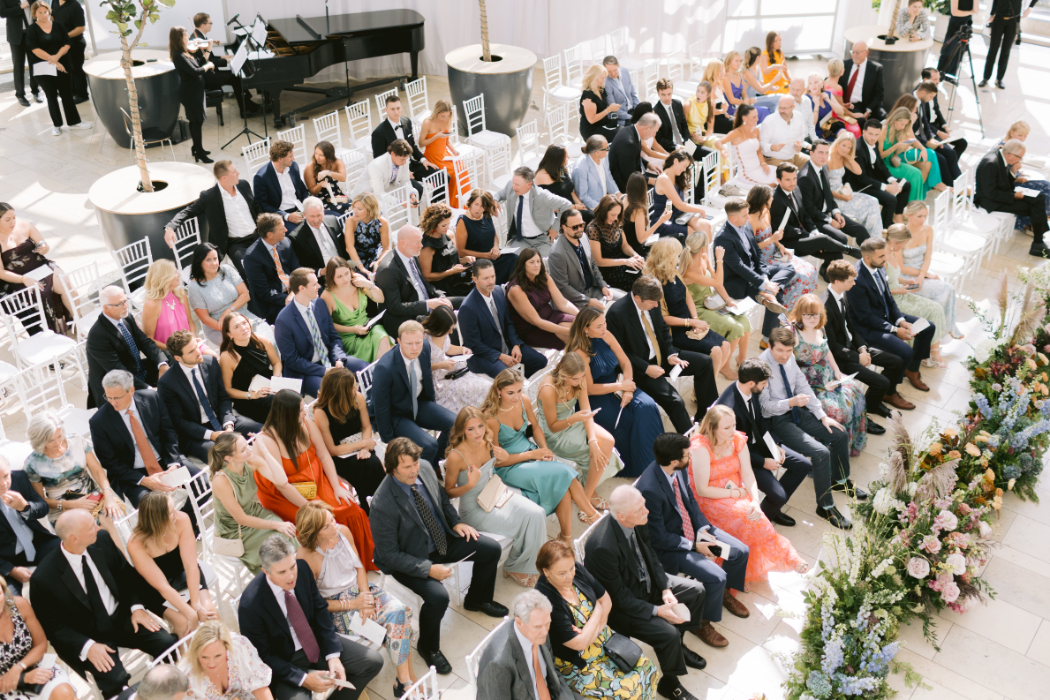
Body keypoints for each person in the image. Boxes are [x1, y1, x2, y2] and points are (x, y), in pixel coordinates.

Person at [369, 438, 509, 675]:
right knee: (438, 597)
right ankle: (428, 646)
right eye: (407, 467)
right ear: (392, 468)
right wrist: (428, 569)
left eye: (415, 463)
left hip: (442, 540)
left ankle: (477, 599)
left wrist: (456, 523)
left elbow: (442, 500)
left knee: (491, 549)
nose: (414, 469)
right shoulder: (383, 504)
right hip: (410, 558)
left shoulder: (423, 467)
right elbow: (389, 555)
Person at [30, 510, 178, 699]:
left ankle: (163, 693)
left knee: (166, 643)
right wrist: (87, 646)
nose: (98, 528)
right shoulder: (43, 578)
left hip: (123, 618)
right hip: (89, 636)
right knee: (115, 681)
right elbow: (53, 627)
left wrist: (137, 608)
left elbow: (126, 576)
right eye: (92, 527)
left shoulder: (103, 540)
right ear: (74, 538)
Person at [583, 485, 708, 700]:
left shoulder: (637, 519)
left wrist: (665, 588)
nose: (647, 511)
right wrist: (657, 611)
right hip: (624, 608)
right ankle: (669, 683)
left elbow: (649, 554)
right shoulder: (602, 548)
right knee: (667, 634)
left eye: (644, 506)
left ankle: (679, 644)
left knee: (697, 591)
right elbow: (619, 598)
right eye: (640, 509)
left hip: (648, 585)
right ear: (621, 516)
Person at [237, 535, 383, 700]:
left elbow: (320, 610)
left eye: (292, 566)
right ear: (265, 571)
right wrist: (303, 679)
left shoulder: (303, 570)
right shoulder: (250, 606)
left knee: (373, 662)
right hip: (285, 661)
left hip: (316, 643)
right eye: (282, 572)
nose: (291, 576)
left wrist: (333, 655)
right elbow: (263, 657)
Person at [295, 502, 417, 698]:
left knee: (399, 611)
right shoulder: (306, 558)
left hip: (361, 590)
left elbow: (359, 566)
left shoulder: (343, 531)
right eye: (327, 526)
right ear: (314, 533)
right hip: (338, 609)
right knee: (390, 630)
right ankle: (407, 682)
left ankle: (404, 681)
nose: (334, 525)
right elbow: (314, 605)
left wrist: (366, 597)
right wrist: (354, 604)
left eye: (332, 519)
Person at [638, 433, 751, 640]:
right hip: (671, 546)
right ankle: (701, 624)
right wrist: (693, 545)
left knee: (740, 551)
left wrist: (701, 530)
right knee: (717, 576)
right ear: (674, 461)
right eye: (687, 455)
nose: (690, 457)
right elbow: (659, 538)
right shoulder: (649, 490)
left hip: (694, 530)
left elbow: (689, 500)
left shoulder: (677, 470)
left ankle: (724, 593)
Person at [257, 390, 376, 570]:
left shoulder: (305, 422)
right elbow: (282, 484)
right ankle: (335, 570)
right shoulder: (268, 439)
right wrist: (311, 508)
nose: (305, 412)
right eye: (299, 410)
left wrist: (336, 487)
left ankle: (360, 560)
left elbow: (324, 455)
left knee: (350, 509)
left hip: (315, 479)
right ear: (286, 414)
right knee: (324, 521)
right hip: (286, 493)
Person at [688, 406, 808, 583]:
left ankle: (777, 555)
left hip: (737, 491)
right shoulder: (701, 448)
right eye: (726, 428)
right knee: (748, 517)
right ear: (713, 428)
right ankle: (784, 554)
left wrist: (755, 500)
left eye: (734, 425)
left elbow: (748, 474)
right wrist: (736, 492)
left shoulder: (737, 439)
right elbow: (702, 490)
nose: (732, 431)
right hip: (710, 497)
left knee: (753, 513)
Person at [481, 370, 602, 540]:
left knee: (564, 488)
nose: (516, 396)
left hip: (532, 454)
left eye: (519, 390)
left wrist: (544, 449)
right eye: (510, 393)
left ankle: (566, 537)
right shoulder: (491, 419)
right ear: (498, 391)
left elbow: (536, 427)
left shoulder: (523, 401)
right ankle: (593, 516)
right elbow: (496, 462)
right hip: (510, 467)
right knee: (564, 473)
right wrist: (532, 454)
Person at [533, 541, 658, 700]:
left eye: (571, 568)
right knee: (628, 694)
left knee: (648, 668)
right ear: (546, 571)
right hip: (580, 664)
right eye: (562, 573)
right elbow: (579, 644)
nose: (570, 575)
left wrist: (589, 630)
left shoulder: (576, 569)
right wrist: (598, 610)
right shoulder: (545, 600)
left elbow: (607, 601)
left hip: (607, 643)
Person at [757, 328, 855, 529]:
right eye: (780, 351)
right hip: (777, 419)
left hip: (795, 409)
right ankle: (825, 506)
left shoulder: (789, 358)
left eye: (789, 351)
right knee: (820, 453)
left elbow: (802, 385)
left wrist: (822, 416)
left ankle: (839, 479)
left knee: (839, 434)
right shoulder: (761, 367)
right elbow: (765, 409)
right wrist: (790, 402)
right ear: (770, 346)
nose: (785, 356)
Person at [441, 408, 547, 588]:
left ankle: (523, 564)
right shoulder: (455, 456)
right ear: (461, 431)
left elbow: (497, 462)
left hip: (496, 494)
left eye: (480, 426)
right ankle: (516, 567)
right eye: (470, 429)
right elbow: (448, 492)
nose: (478, 432)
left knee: (537, 513)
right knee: (521, 523)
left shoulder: (487, 441)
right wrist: (468, 485)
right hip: (474, 510)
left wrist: (503, 457)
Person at [606, 275, 719, 432]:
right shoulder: (616, 314)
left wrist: (671, 354)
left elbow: (663, 331)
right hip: (640, 366)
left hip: (663, 355)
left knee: (705, 363)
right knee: (676, 401)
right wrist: (646, 368)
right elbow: (620, 353)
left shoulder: (653, 301)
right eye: (652, 303)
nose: (656, 306)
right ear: (638, 298)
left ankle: (708, 417)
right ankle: (692, 440)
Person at [565, 307, 662, 480]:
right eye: (599, 326)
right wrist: (622, 385)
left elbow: (625, 362)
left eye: (605, 323)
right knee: (627, 420)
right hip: (596, 397)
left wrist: (627, 387)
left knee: (647, 406)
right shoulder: (579, 353)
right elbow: (590, 388)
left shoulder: (606, 335)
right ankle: (636, 466)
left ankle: (655, 458)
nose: (604, 329)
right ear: (585, 329)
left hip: (619, 384)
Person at [714, 359, 813, 527]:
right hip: (744, 457)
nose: (766, 386)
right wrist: (763, 462)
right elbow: (732, 450)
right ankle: (756, 526)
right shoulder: (729, 408)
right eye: (764, 383)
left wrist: (774, 445)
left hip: (759, 444)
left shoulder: (751, 391)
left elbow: (759, 422)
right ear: (751, 383)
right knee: (778, 495)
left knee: (803, 464)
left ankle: (772, 508)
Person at [90, 370, 195, 508]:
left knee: (202, 484)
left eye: (117, 398)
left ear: (131, 390)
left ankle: (190, 524)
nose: (112, 402)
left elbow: (168, 432)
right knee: (154, 509)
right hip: (133, 473)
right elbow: (109, 462)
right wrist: (144, 480)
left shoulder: (152, 398)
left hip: (166, 460)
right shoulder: (98, 422)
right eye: (109, 397)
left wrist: (173, 464)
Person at [821, 260, 913, 415]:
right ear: (837, 281)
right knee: (881, 382)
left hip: (854, 347)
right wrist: (858, 358)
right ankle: (871, 407)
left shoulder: (842, 294)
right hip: (842, 358)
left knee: (897, 362)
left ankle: (875, 400)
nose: (854, 284)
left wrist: (862, 348)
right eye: (850, 281)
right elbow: (833, 347)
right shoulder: (825, 306)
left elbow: (850, 327)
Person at [847, 237, 937, 392]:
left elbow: (888, 297)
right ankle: (890, 392)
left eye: (885, 254)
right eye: (881, 256)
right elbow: (865, 317)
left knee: (928, 327)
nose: (886, 258)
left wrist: (900, 320)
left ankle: (912, 370)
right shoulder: (857, 281)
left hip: (885, 317)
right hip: (868, 328)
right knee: (905, 351)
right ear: (867, 258)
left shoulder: (880, 266)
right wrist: (895, 330)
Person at [157, 329, 259, 462]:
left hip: (222, 420)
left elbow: (223, 397)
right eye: (191, 352)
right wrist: (212, 435)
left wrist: (228, 424)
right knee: (222, 457)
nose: (198, 352)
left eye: (196, 347)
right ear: (177, 358)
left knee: (262, 431)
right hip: (197, 433)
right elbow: (179, 421)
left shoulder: (210, 363)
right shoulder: (167, 383)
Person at [787, 295, 873, 453]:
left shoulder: (820, 329)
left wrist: (837, 371)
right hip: (810, 385)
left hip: (830, 378)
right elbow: (789, 367)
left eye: (816, 314)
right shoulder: (793, 335)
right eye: (808, 314)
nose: (812, 318)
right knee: (836, 410)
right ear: (800, 313)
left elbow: (827, 352)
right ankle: (825, 452)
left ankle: (846, 446)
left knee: (857, 394)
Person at [127, 492, 218, 638]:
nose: (176, 513)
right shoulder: (136, 544)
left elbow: (191, 566)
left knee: (210, 613)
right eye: (171, 512)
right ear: (157, 519)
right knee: (183, 624)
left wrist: (196, 605)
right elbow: (162, 586)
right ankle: (185, 659)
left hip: (183, 571)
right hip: (154, 588)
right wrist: (190, 614)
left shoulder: (181, 519)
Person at [209, 431, 300, 577]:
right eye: (243, 450)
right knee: (273, 550)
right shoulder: (221, 481)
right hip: (235, 530)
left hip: (255, 512)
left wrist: (264, 451)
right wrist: (276, 525)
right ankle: (277, 583)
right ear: (228, 458)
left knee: (287, 534)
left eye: (247, 444)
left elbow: (281, 481)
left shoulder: (251, 462)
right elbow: (241, 519)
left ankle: (296, 575)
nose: (249, 450)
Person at [536, 353, 624, 501]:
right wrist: (573, 419)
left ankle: (585, 495)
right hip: (554, 433)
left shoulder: (579, 381)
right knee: (597, 452)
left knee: (607, 441)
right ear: (563, 374)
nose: (579, 381)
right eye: (574, 378)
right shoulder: (548, 389)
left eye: (582, 376)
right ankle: (588, 497)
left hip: (575, 421)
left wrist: (593, 441)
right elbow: (552, 426)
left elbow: (587, 412)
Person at [644, 238, 733, 379]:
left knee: (725, 346)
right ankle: (707, 386)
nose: (679, 258)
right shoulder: (654, 283)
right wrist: (691, 323)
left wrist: (696, 319)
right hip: (676, 331)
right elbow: (663, 318)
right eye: (676, 255)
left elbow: (688, 297)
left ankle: (707, 384)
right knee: (715, 351)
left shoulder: (674, 272)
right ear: (667, 257)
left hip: (690, 322)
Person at [22, 412, 124, 536]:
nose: (57, 442)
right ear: (39, 440)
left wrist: (108, 496)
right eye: (50, 440)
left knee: (112, 521)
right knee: (85, 534)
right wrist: (72, 504)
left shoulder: (76, 440)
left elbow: (97, 471)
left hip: (92, 496)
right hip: (61, 507)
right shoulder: (33, 463)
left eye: (59, 436)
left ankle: (122, 555)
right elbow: (41, 500)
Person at [373, 320, 455, 466]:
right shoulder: (385, 368)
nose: (415, 348)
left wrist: (431, 406)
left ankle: (433, 466)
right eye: (409, 343)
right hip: (396, 414)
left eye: (418, 342)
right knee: (429, 446)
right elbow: (381, 406)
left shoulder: (425, 348)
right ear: (398, 341)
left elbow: (427, 377)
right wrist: (389, 440)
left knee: (456, 424)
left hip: (419, 403)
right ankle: (419, 477)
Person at [713, 199, 795, 345]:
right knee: (779, 298)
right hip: (738, 280)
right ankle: (766, 339)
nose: (749, 218)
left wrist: (765, 278)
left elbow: (757, 252)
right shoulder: (723, 238)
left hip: (755, 272)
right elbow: (738, 267)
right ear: (734, 218)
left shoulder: (746, 226)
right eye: (745, 215)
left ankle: (767, 293)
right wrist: (763, 282)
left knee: (789, 268)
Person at [164, 161, 262, 277]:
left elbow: (256, 207)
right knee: (249, 271)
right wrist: (170, 228)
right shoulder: (209, 197)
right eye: (234, 172)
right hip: (237, 244)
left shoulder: (243, 185)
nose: (239, 173)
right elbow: (188, 211)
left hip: (259, 234)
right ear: (224, 177)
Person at [274, 268, 362, 397]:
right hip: (308, 370)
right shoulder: (283, 321)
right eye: (314, 284)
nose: (319, 286)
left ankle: (368, 407)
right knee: (333, 395)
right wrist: (324, 370)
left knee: (366, 370)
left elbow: (333, 337)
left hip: (331, 359)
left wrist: (338, 358)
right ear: (301, 288)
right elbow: (292, 360)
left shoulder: (319, 304)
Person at [476, 590, 579, 700]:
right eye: (538, 627)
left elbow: (552, 671)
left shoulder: (539, 627)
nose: (545, 632)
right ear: (519, 622)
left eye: (547, 624)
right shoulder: (498, 664)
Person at [459, 259, 549, 378]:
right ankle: (508, 388)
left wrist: (516, 344)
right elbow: (473, 344)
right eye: (486, 278)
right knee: (507, 377)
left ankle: (517, 385)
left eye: (493, 276)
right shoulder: (468, 308)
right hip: (484, 355)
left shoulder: (498, 291)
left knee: (540, 361)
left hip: (507, 346)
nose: (491, 281)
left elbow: (508, 323)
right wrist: (500, 356)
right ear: (475, 279)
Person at [312, 369, 384, 514]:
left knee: (372, 463)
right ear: (341, 391)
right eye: (352, 386)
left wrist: (366, 448)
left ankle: (381, 503)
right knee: (370, 466)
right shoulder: (321, 412)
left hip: (362, 444)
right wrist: (363, 444)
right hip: (340, 455)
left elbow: (366, 426)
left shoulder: (357, 398)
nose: (356, 388)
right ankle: (372, 507)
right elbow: (332, 449)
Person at [86, 286, 169, 408]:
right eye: (119, 304)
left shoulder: (126, 317)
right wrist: (149, 389)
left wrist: (162, 364)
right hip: (116, 387)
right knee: (159, 402)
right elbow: (118, 371)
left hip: (136, 370)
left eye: (125, 301)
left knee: (169, 358)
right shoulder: (97, 336)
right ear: (106, 308)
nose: (125, 306)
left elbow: (144, 342)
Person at [679, 230, 753, 367]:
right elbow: (718, 282)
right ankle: (724, 367)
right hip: (698, 309)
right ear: (703, 247)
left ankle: (741, 359)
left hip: (711, 302)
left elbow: (716, 281)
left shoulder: (704, 258)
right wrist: (719, 259)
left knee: (744, 321)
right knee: (735, 327)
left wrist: (728, 300)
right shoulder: (689, 270)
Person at [0, 570, 76, 700]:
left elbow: (41, 645)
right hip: (4, 686)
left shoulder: (18, 605)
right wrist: (23, 678)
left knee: (63, 693)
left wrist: (19, 668)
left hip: (34, 664)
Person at [883, 224, 952, 368]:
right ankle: (922, 353)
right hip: (892, 301)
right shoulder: (882, 258)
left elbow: (893, 277)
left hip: (902, 294)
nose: (903, 248)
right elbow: (877, 290)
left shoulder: (894, 251)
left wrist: (904, 281)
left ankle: (931, 350)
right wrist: (897, 291)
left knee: (937, 308)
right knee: (929, 312)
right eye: (902, 245)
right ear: (894, 242)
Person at [0, 202, 74, 333]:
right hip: (19, 278)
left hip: (41, 266)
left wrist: (43, 248)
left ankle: (76, 321)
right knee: (39, 293)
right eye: (7, 219)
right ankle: (50, 332)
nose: (13, 222)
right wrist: (24, 279)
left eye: (14, 217)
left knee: (64, 283)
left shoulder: (24, 225)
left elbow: (45, 246)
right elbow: (1, 272)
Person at [748, 181, 822, 309]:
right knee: (801, 276)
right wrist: (772, 239)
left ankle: (798, 305)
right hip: (763, 260)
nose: (772, 199)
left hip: (774, 252)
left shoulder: (766, 212)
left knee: (810, 269)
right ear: (763, 200)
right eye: (770, 197)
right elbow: (751, 248)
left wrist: (780, 245)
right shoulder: (751, 219)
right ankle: (787, 309)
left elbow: (769, 234)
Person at [374, 225, 458, 337]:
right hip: (408, 317)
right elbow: (395, 307)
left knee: (465, 302)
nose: (421, 245)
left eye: (421, 241)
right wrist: (427, 304)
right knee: (453, 329)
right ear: (403, 243)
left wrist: (440, 297)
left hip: (426, 304)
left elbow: (424, 284)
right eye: (417, 242)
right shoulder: (388, 270)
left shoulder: (412, 255)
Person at [900, 202, 962, 342]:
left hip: (921, 273)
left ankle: (944, 330)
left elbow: (927, 257)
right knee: (939, 296)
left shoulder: (928, 230)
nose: (923, 220)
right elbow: (900, 267)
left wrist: (923, 275)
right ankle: (930, 336)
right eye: (919, 216)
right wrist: (925, 275)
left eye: (925, 216)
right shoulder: (901, 234)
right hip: (905, 278)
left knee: (949, 289)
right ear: (909, 216)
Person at [975, 140, 1048, 257]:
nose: (1021, 160)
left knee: (1039, 198)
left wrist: (1013, 172)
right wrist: (1013, 196)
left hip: (1002, 194)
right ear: (1010, 155)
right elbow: (990, 193)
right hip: (991, 202)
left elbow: (1002, 181)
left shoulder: (1001, 157)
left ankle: (1038, 242)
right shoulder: (990, 163)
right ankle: (1038, 243)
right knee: (1035, 208)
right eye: (1020, 157)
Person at [0, 454, 60, 596]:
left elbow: (42, 507)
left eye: (6, 476)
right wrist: (10, 570)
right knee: (10, 602)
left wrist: (25, 507)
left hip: (36, 543)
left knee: (68, 553)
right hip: (4, 559)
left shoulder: (19, 478)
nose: (4, 484)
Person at [26, 2, 88, 137]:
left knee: (67, 93)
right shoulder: (32, 29)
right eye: (40, 12)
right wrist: (52, 60)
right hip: (43, 67)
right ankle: (56, 125)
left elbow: (67, 44)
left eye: (46, 12)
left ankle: (75, 122)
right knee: (51, 95)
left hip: (62, 63)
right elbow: (34, 49)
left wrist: (57, 58)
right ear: (34, 14)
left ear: (49, 12)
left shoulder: (58, 26)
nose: (43, 15)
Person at [798, 140, 872, 248]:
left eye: (826, 153)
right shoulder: (805, 177)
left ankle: (868, 259)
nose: (824, 156)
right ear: (811, 153)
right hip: (814, 219)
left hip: (829, 212)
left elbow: (828, 195)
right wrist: (830, 220)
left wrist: (836, 212)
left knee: (860, 230)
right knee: (842, 238)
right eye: (820, 152)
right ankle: (832, 264)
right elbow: (809, 209)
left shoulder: (823, 167)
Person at [187, 243, 264, 346]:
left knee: (266, 335)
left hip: (241, 315)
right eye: (208, 260)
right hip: (218, 327)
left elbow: (245, 295)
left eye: (215, 258)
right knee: (249, 345)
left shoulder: (227, 270)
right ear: (199, 262)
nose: (214, 263)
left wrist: (229, 311)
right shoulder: (194, 287)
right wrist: (231, 329)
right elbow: (205, 319)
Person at [421, 305, 493, 415]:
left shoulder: (443, 333)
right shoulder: (423, 339)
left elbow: (447, 348)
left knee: (486, 386)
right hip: (437, 381)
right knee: (476, 389)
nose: (450, 332)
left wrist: (462, 349)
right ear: (438, 325)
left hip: (451, 371)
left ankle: (484, 417)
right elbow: (419, 366)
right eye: (448, 328)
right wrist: (441, 365)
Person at [141, 260, 215, 361]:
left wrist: (192, 340)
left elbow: (190, 322)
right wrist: (176, 350)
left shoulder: (180, 294)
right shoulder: (151, 304)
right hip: (169, 351)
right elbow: (149, 339)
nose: (179, 274)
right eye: (175, 272)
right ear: (164, 277)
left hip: (190, 343)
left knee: (213, 357)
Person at [319, 257, 390, 363]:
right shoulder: (327, 296)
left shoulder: (357, 279)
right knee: (385, 347)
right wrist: (354, 329)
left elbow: (381, 299)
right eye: (339, 276)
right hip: (348, 336)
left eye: (347, 273)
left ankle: (382, 372)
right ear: (331, 277)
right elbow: (328, 326)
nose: (345, 279)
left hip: (368, 327)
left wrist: (368, 284)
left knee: (382, 336)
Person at [190, 13, 259, 118]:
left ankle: (248, 104)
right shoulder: (198, 40)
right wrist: (226, 61)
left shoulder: (198, 36)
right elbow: (207, 62)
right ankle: (246, 109)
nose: (212, 24)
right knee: (236, 78)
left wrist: (223, 57)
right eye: (210, 23)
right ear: (203, 25)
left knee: (235, 76)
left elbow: (209, 57)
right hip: (206, 77)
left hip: (208, 73)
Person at [506, 248, 577, 350]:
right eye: (531, 262)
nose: (536, 265)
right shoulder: (516, 290)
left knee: (581, 324)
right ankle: (579, 361)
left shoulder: (544, 276)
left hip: (551, 316)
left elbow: (562, 302)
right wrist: (565, 331)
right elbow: (537, 321)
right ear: (522, 265)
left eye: (538, 261)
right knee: (572, 335)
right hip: (532, 329)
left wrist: (582, 315)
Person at [495, 166, 573, 259]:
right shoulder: (510, 186)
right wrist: (495, 200)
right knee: (513, 263)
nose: (513, 187)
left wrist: (555, 228)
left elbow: (566, 205)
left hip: (543, 239)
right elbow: (500, 194)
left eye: (517, 185)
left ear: (529, 184)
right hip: (521, 239)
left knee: (545, 264)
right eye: (513, 183)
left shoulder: (542, 195)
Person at [218, 312, 282, 424]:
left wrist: (275, 380)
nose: (243, 328)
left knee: (293, 398)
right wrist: (252, 395)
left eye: (244, 323)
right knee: (281, 404)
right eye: (236, 327)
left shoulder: (261, 340)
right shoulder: (227, 356)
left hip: (269, 386)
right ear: (229, 334)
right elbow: (228, 390)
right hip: (248, 398)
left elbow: (276, 362)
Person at [184, 621, 273, 700]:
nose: (211, 663)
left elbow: (259, 687)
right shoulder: (189, 677)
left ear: (227, 648)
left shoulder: (237, 646)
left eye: (218, 656)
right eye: (204, 657)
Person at [548, 210, 614, 312]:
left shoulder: (583, 237)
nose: (580, 229)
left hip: (593, 290)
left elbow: (592, 264)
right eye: (575, 227)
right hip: (575, 301)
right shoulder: (557, 253)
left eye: (582, 225)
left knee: (625, 302)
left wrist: (603, 285)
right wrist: (588, 301)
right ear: (564, 227)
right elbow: (563, 288)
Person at [371, 94, 439, 190]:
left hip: (412, 164)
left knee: (443, 177)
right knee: (418, 190)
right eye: (392, 109)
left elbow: (413, 146)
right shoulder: (378, 133)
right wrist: (402, 173)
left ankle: (434, 204)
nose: (396, 111)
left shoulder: (407, 122)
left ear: (402, 108)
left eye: (398, 108)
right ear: (386, 110)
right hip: (396, 172)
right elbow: (380, 160)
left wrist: (424, 160)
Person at [826, 131, 884, 240]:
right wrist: (843, 197)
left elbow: (859, 171)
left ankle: (876, 239)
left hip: (843, 193)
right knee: (869, 207)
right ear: (838, 143)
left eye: (849, 148)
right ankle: (874, 240)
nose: (845, 149)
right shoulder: (828, 159)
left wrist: (848, 157)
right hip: (833, 199)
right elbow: (824, 189)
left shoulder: (843, 157)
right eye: (844, 145)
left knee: (873, 201)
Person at [851, 119, 910, 224]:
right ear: (863, 132)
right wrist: (886, 187)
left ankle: (897, 217)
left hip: (874, 179)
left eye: (876, 135)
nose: (873, 138)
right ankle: (885, 228)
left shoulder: (875, 142)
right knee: (891, 200)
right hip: (861, 185)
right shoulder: (858, 149)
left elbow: (881, 164)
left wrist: (891, 180)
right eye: (870, 134)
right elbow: (862, 178)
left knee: (905, 184)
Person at [994, 120, 1050, 232]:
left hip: (1015, 178)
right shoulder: (1002, 148)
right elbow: (1000, 176)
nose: (1022, 138)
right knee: (1044, 193)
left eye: (1025, 136)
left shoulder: (1014, 144)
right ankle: (1032, 222)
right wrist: (1015, 174)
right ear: (1011, 132)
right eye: (1020, 135)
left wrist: (1017, 172)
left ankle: (1040, 218)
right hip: (1010, 184)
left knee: (1047, 185)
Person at [242, 213, 297, 325]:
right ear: (270, 234)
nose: (286, 230)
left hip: (293, 291)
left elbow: (296, 268)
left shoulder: (286, 242)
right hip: (273, 303)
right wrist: (288, 298)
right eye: (282, 228)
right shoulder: (251, 257)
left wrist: (295, 290)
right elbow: (265, 292)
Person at [879, 107, 944, 201]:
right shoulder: (883, 130)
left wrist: (902, 148)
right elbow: (880, 156)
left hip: (892, 161)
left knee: (917, 173)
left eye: (905, 125)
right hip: (883, 165)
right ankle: (910, 205)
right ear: (895, 120)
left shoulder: (898, 130)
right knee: (915, 173)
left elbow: (908, 142)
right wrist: (896, 147)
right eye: (902, 124)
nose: (903, 127)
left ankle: (913, 205)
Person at [168, 26, 213, 162]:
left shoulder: (186, 52)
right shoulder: (179, 56)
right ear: (179, 38)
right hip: (190, 93)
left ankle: (196, 148)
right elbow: (196, 71)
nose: (189, 37)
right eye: (185, 35)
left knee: (196, 121)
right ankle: (199, 153)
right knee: (196, 122)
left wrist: (208, 48)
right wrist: (209, 66)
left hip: (195, 91)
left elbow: (201, 61)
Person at [454, 190, 515, 285]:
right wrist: (486, 255)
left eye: (482, 206)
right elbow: (461, 251)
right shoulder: (463, 221)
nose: (478, 209)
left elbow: (493, 234)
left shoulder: (486, 214)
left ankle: (512, 288)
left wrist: (495, 246)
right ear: (470, 203)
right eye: (476, 204)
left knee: (514, 258)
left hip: (492, 255)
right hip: (478, 261)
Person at [586, 194, 645, 292]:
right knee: (638, 285)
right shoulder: (593, 229)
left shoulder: (617, 222)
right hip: (608, 270)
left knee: (646, 275)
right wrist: (626, 261)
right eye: (613, 215)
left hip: (623, 263)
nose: (616, 218)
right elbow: (598, 261)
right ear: (604, 212)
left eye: (618, 215)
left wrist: (635, 255)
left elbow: (624, 245)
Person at [651, 151, 712, 242]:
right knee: (694, 234)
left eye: (686, 167)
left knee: (705, 225)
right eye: (684, 166)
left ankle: (706, 255)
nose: (684, 169)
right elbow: (680, 205)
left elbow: (681, 205)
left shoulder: (676, 177)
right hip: (663, 222)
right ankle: (698, 255)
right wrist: (700, 210)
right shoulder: (664, 178)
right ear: (675, 161)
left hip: (678, 217)